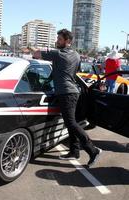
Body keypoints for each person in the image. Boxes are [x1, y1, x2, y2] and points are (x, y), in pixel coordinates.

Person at [33, 29, 102, 167]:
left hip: (66, 93)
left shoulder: (57, 53)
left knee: (71, 123)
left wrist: (36, 49)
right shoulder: (76, 55)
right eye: (57, 39)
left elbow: (36, 54)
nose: (57, 41)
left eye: (59, 39)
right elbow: (71, 72)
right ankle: (74, 151)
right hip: (73, 92)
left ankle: (93, 150)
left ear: (68, 42)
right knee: (71, 122)